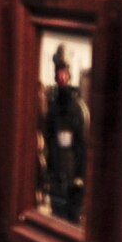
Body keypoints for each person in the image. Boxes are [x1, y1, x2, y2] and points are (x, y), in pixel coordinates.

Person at [40, 44, 87, 223]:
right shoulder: (52, 107)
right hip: (56, 173)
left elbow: (82, 145)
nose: (61, 76)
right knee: (56, 220)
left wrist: (80, 177)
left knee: (72, 221)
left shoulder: (77, 109)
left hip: (72, 175)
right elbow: (49, 138)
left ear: (69, 74)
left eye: (64, 71)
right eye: (58, 71)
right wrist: (48, 172)